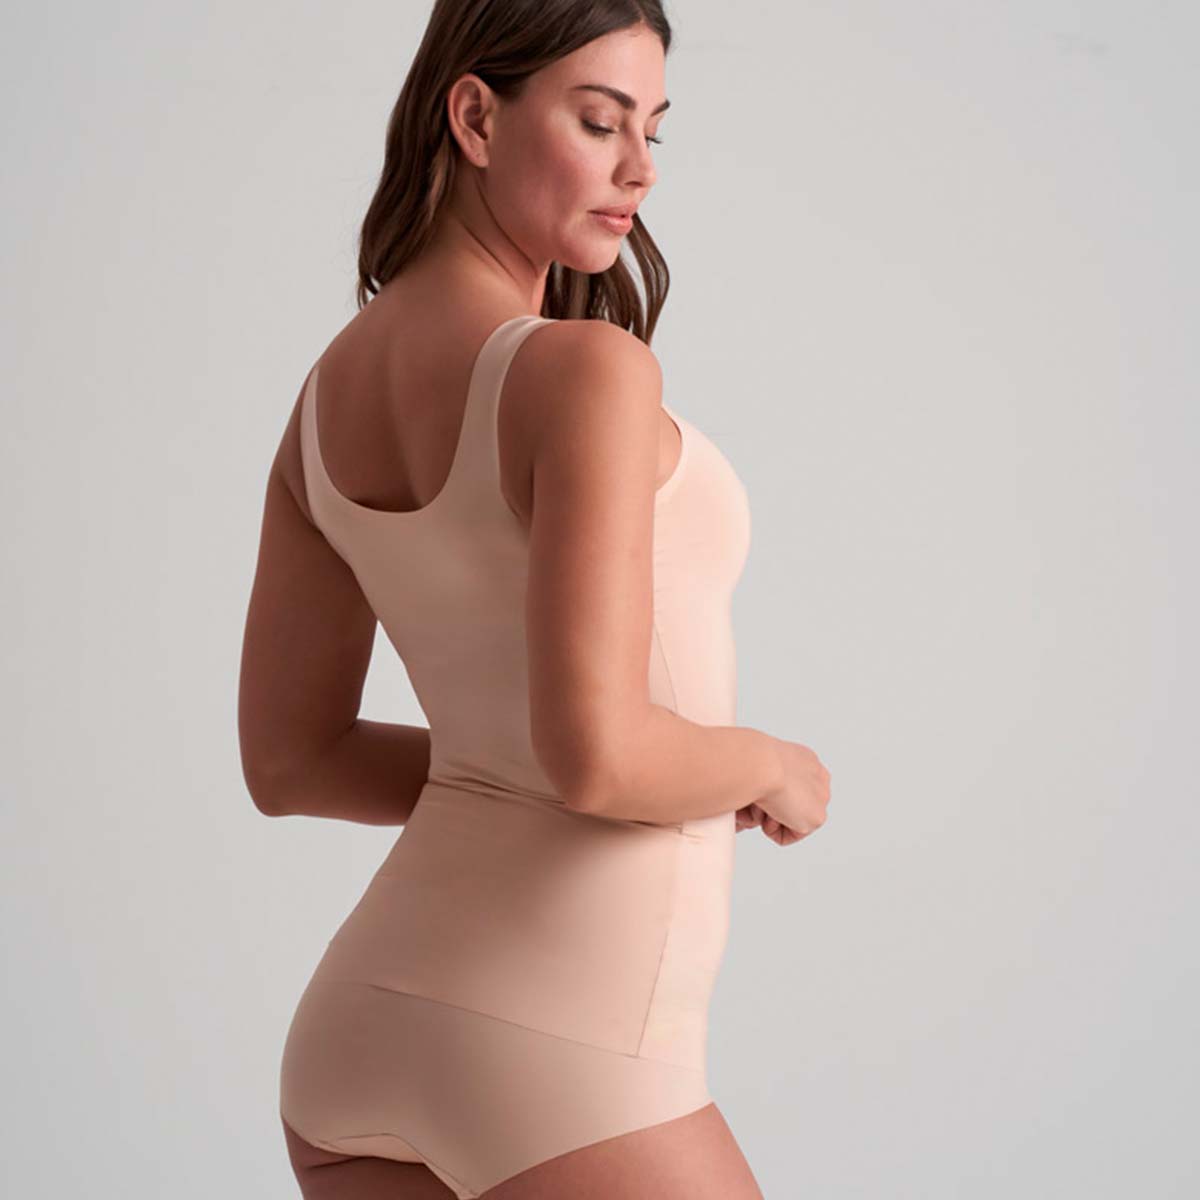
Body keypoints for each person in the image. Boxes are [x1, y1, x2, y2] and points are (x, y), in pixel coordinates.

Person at [237, 2, 831, 1196]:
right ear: (474, 116)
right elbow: (600, 758)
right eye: (600, 122)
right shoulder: (585, 371)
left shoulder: (322, 402)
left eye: (654, 130)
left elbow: (293, 763)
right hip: (561, 1056)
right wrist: (768, 764)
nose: (639, 169)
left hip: (360, 1035)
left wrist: (505, 772)